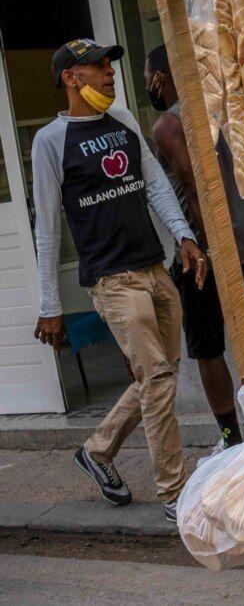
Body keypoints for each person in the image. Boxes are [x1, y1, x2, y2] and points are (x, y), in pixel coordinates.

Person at [30, 40, 207, 522]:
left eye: (110, 67)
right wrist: (51, 304)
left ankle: (98, 449)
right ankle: (176, 493)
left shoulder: (124, 120)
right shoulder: (50, 141)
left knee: (159, 375)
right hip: (113, 281)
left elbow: (153, 185)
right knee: (157, 378)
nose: (110, 74)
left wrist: (184, 236)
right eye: (98, 67)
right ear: (72, 78)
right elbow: (46, 226)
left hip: (154, 268)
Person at [144, 45, 244, 449]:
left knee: (209, 350)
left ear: (160, 77)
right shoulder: (229, 113)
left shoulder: (168, 126)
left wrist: (214, 258)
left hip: (206, 257)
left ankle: (233, 438)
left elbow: (194, 189)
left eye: (145, 77)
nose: (147, 86)